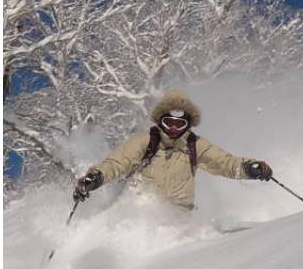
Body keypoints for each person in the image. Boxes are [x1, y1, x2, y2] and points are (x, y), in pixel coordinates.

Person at [74, 89, 273, 211]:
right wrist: (96, 177)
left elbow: (225, 163)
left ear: (188, 124)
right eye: (169, 122)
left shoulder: (195, 145)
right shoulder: (146, 142)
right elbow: (117, 163)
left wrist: (250, 168)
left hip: (178, 215)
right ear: (160, 121)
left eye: (180, 124)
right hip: (139, 209)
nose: (174, 129)